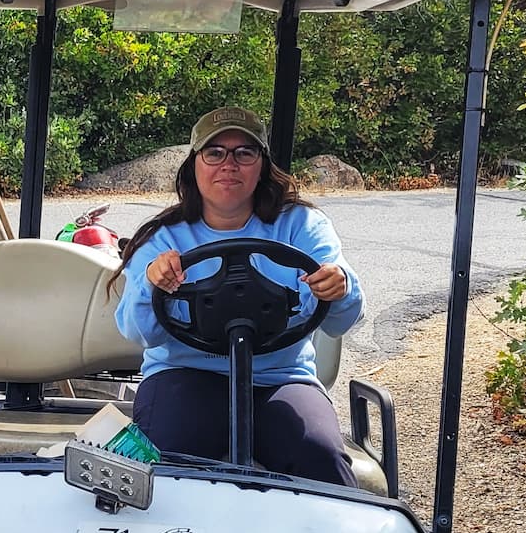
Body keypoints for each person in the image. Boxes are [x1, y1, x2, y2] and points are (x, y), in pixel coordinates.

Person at [113, 107, 364, 485]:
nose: (229, 164)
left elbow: (342, 318)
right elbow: (138, 333)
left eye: (244, 153)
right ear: (193, 165)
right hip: (186, 374)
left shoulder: (301, 226)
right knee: (164, 453)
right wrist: (151, 283)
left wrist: (338, 286)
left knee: (319, 455)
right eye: (214, 152)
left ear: (262, 165)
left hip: (279, 378)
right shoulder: (163, 238)